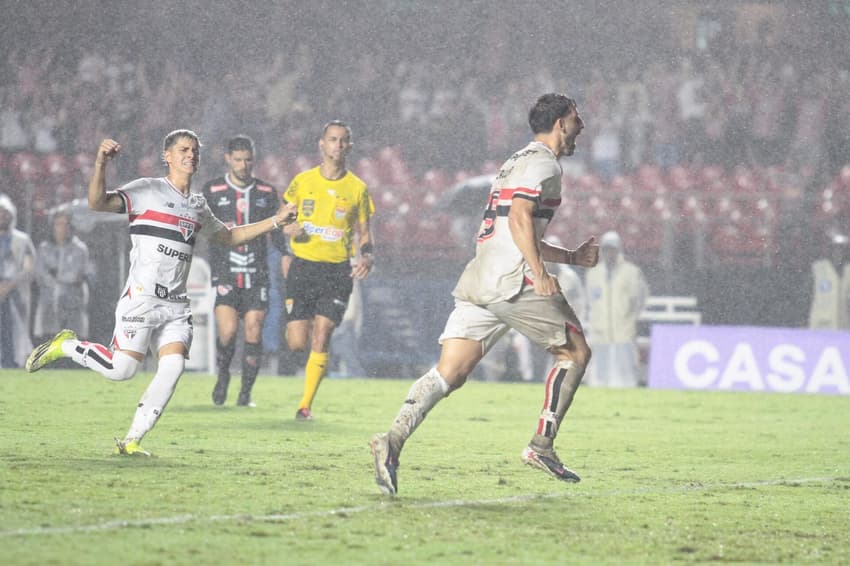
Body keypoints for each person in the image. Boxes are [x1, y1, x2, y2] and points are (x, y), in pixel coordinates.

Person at [370, 93, 597, 495]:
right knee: (575, 353)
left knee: (449, 372)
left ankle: (392, 440)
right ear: (561, 122)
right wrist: (542, 274)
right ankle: (541, 445)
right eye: (577, 118)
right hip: (514, 280)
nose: (582, 125)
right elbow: (522, 220)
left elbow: (516, 226)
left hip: (482, 277)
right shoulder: (544, 163)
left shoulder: (515, 161)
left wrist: (571, 257)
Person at [25, 130, 297, 456]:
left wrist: (276, 222)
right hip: (141, 298)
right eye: (184, 149)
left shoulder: (197, 204)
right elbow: (98, 202)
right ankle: (66, 346)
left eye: (195, 150)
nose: (191, 155)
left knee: (173, 367)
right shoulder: (147, 190)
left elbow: (228, 237)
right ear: (166, 156)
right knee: (121, 371)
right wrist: (100, 163)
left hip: (176, 305)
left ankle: (132, 440)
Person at [282, 120, 375, 420]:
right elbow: (282, 217)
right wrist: (289, 226)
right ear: (321, 144)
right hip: (303, 268)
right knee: (297, 342)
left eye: (343, 140)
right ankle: (306, 359)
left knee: (323, 334)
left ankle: (305, 405)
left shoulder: (358, 188)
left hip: (336, 272)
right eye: (332, 139)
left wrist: (368, 255)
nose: (337, 144)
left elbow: (365, 231)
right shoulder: (302, 181)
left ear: (349, 146)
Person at [203, 135, 287, 407]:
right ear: (227, 159)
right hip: (226, 272)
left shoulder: (266, 192)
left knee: (253, 329)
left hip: (256, 272)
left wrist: (286, 251)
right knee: (227, 332)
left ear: (254, 159)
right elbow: (203, 229)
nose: (243, 165)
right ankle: (224, 375)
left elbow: (277, 232)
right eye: (237, 159)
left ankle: (245, 393)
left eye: (248, 159)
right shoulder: (212, 190)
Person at [584, 230, 649, 387]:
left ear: (618, 250)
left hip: (623, 332)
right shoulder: (593, 273)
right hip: (600, 331)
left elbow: (640, 298)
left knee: (626, 374)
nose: (609, 253)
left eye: (612, 249)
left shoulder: (631, 272)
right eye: (606, 249)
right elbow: (590, 300)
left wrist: (630, 318)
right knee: (600, 375)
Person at [33, 209, 95, 344]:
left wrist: (57, 276)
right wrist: (55, 281)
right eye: (59, 224)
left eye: (66, 224)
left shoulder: (80, 249)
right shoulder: (44, 248)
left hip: (72, 303)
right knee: (48, 340)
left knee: (71, 342)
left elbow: (76, 274)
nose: (62, 228)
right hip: (49, 302)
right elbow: (40, 274)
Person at [0, 194, 35, 368]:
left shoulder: (22, 240)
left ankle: (13, 362)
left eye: (5, 212)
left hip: (15, 292)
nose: (2, 216)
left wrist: (9, 285)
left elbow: (28, 268)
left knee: (14, 331)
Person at [808, 233, 850, 329]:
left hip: (844, 328)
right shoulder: (817, 269)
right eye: (835, 248)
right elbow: (807, 298)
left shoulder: (848, 271)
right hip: (821, 326)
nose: (838, 253)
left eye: (841, 249)